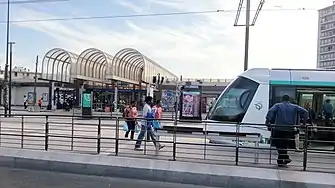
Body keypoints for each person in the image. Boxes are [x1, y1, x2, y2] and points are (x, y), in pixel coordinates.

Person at [266, 95, 308, 167]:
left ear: (282, 99)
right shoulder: (295, 107)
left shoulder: (278, 105)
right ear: (289, 100)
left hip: (278, 128)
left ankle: (283, 159)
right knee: (284, 145)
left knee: (277, 144)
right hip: (289, 129)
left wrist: (268, 121)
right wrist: (304, 123)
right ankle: (283, 160)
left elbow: (270, 111)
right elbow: (305, 112)